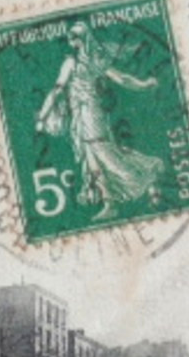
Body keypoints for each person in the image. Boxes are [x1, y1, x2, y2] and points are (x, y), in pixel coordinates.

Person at [36, 21, 164, 219]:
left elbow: (122, 79)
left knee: (103, 154)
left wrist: (145, 85)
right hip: (79, 115)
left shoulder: (92, 61)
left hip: (92, 113)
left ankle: (145, 175)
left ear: (83, 39)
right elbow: (57, 90)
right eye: (71, 37)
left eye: (75, 37)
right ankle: (110, 202)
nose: (72, 41)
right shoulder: (76, 61)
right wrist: (44, 114)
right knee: (92, 158)